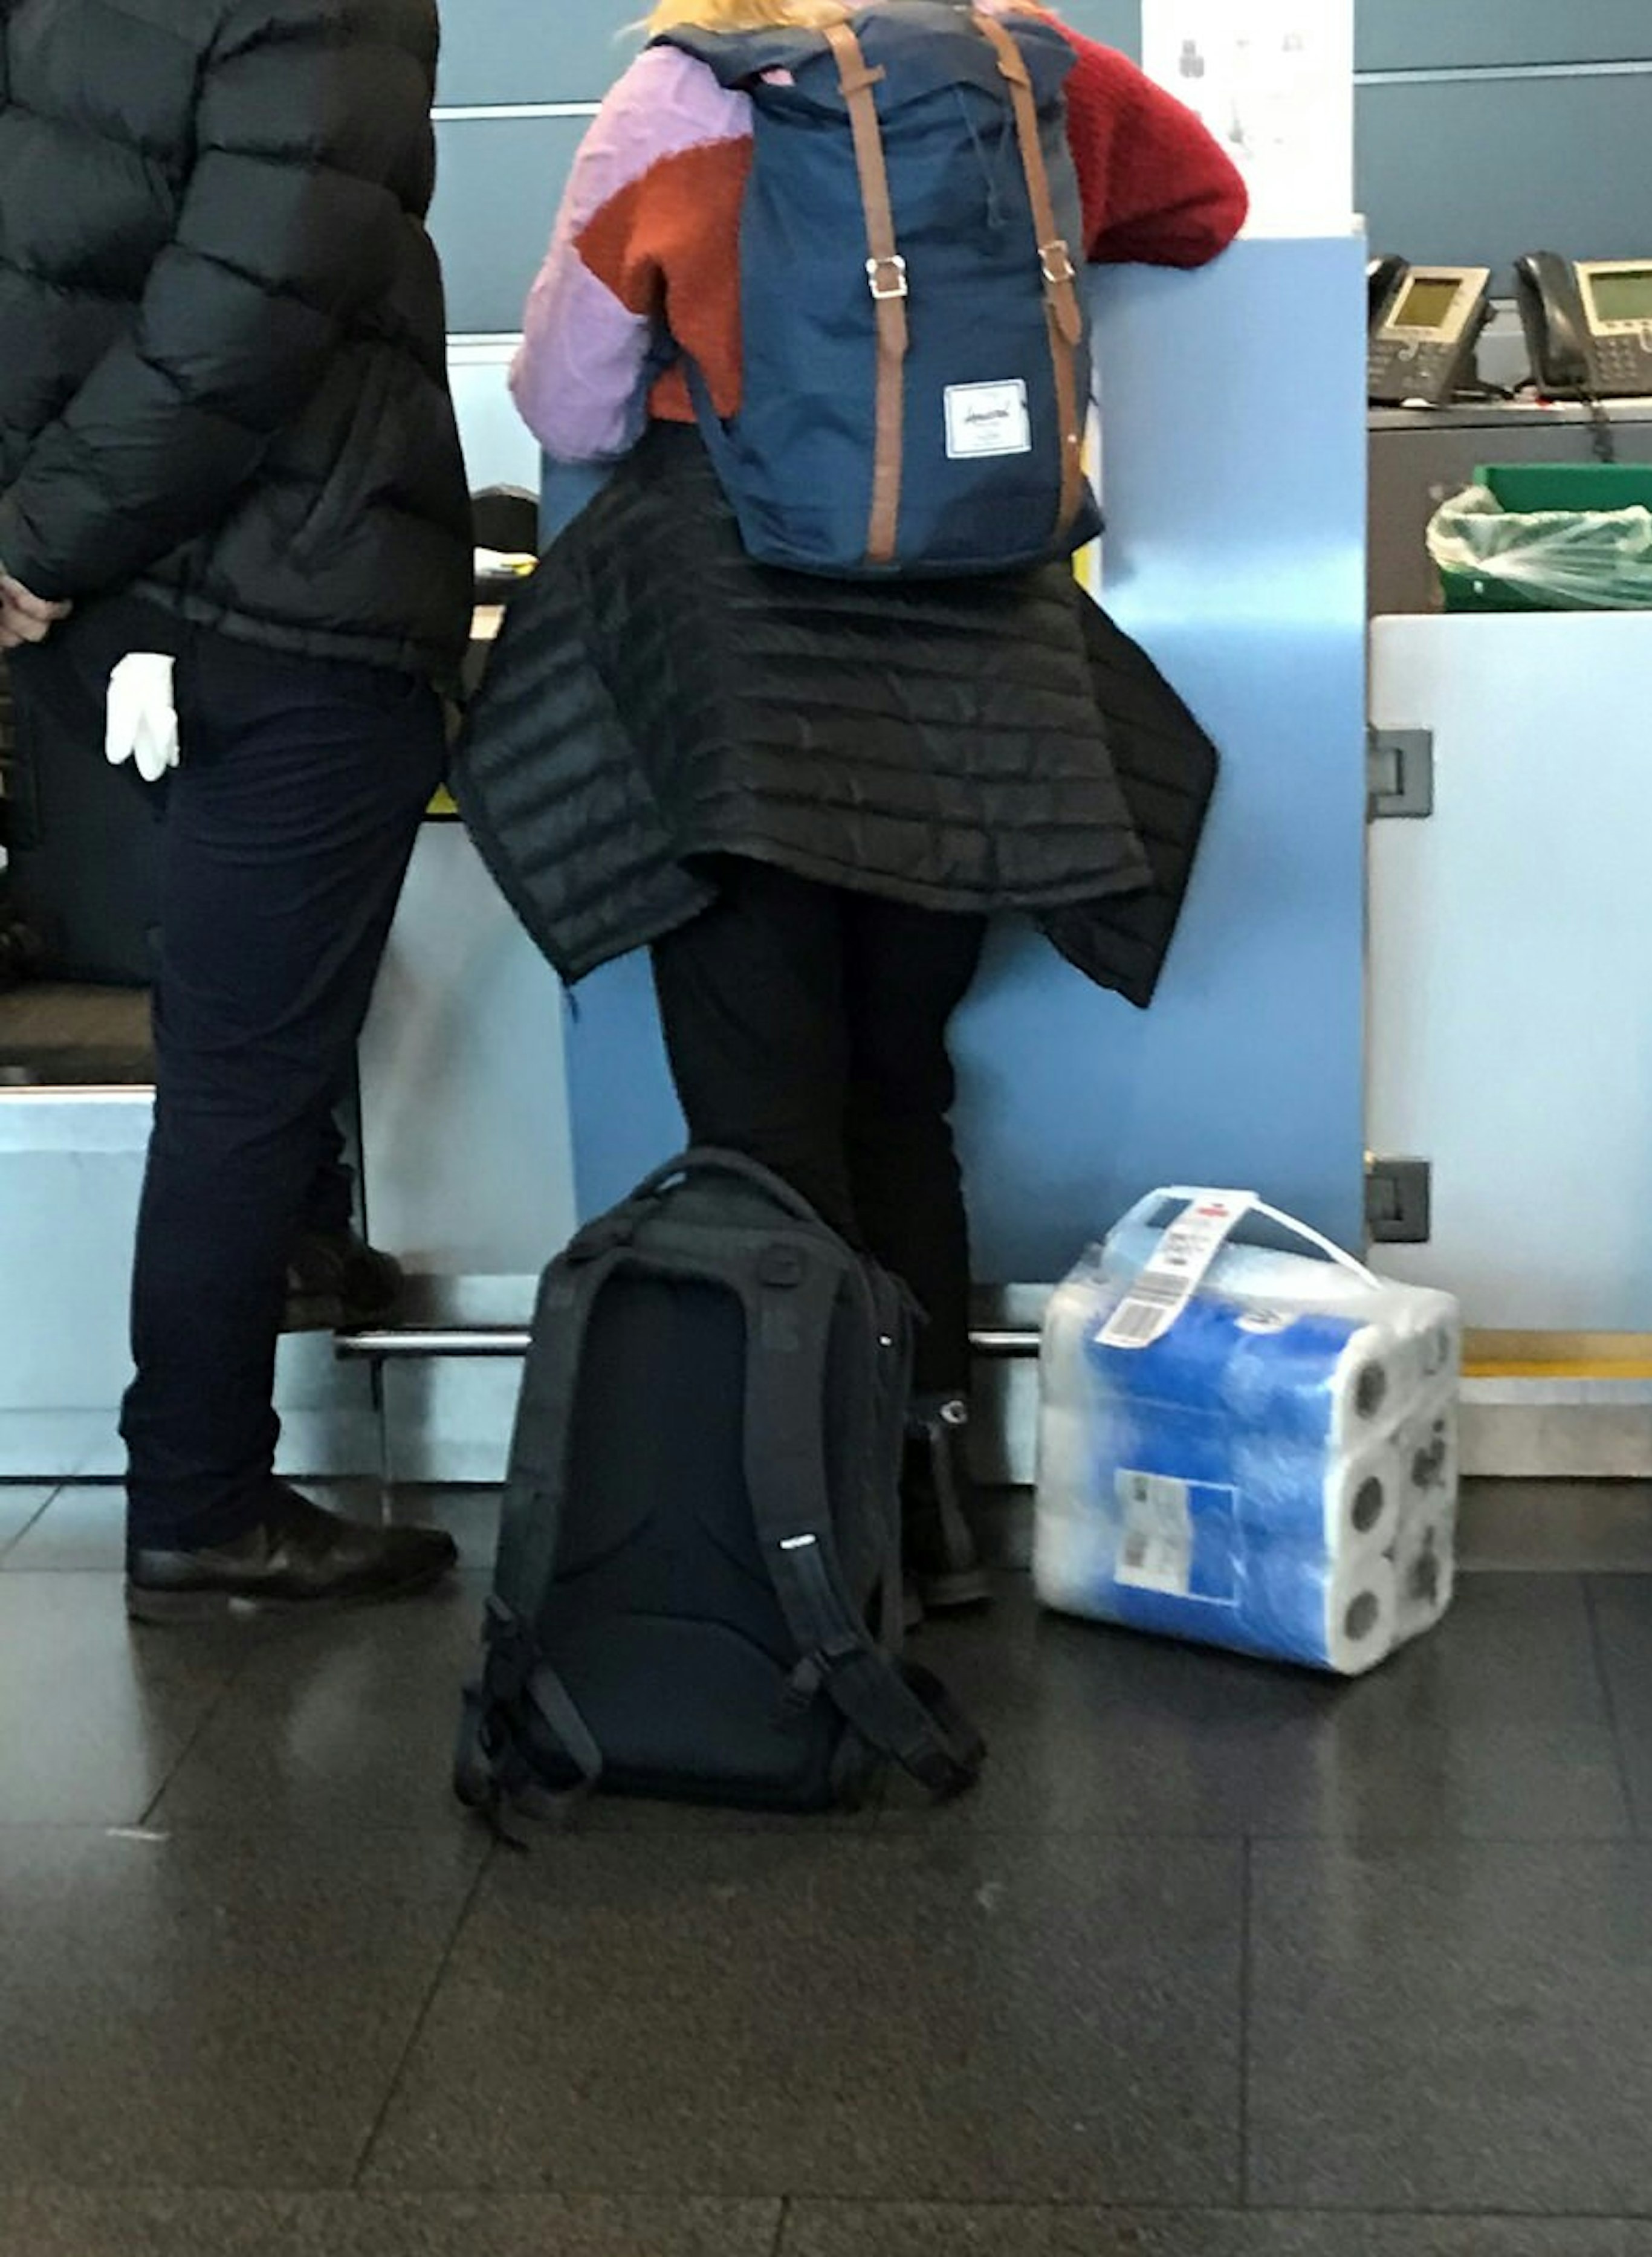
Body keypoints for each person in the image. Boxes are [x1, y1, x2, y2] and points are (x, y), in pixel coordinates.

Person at [459, 0, 1246, 1608]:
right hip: (973, 668)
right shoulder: (1045, 73)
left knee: (763, 1123)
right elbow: (1209, 208)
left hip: (744, 667)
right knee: (904, 1098)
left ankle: (798, 1542)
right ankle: (928, 1505)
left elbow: (568, 405)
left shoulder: (678, 98)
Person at [0, 0, 473, 1619]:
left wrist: (41, 541)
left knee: (238, 1027)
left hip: (120, 611)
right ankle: (202, 1497)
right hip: (284, 594)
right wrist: (37, 540)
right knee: (241, 1074)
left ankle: (297, 1256)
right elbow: (252, 303)